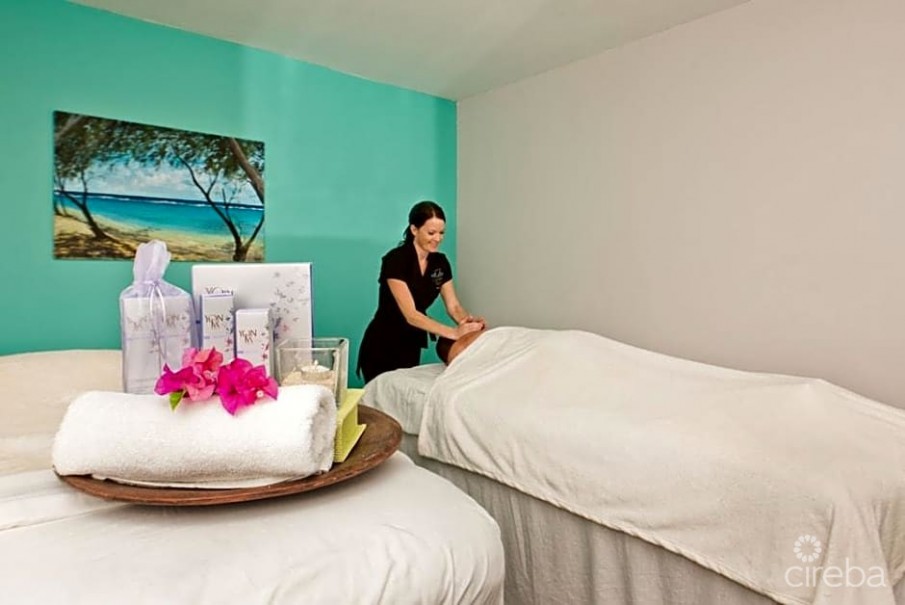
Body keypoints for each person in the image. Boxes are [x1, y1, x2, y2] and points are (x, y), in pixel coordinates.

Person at [357, 201, 484, 382]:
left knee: (403, 394)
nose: (437, 238)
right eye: (431, 233)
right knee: (380, 394)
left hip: (411, 343)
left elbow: (454, 306)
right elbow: (411, 315)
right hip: (382, 343)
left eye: (441, 233)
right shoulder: (395, 260)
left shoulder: (440, 263)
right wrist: (454, 333)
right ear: (414, 230)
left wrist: (469, 325)